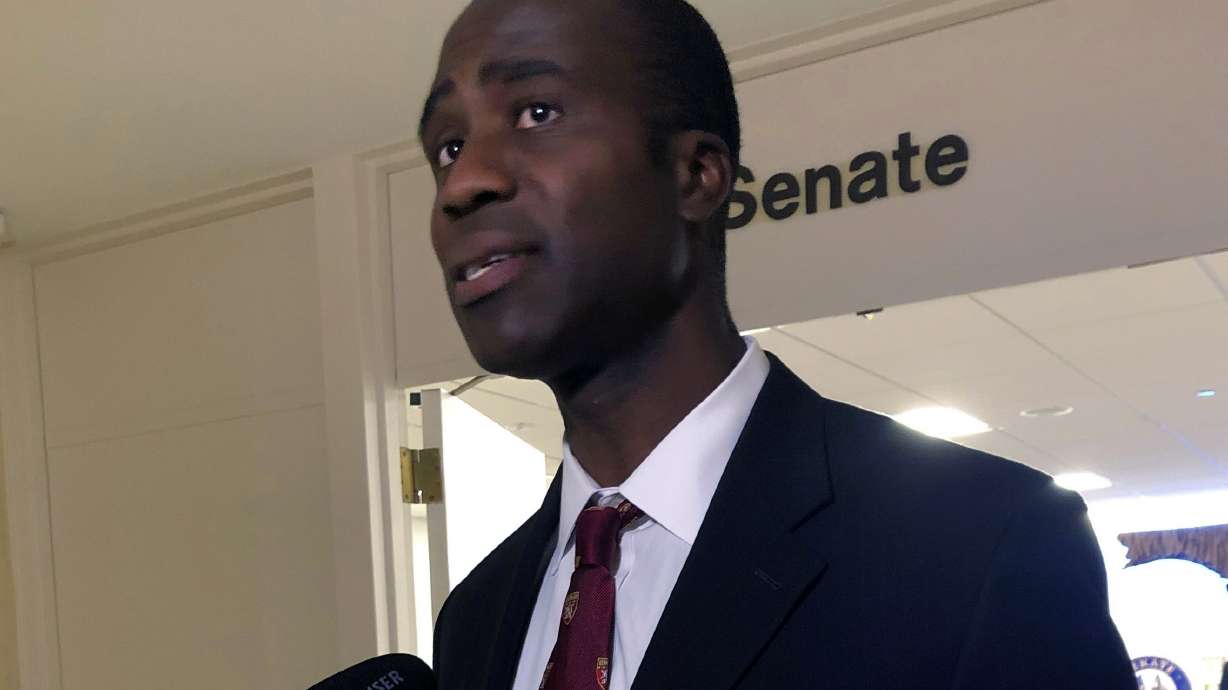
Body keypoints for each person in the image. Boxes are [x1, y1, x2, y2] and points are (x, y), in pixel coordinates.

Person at [416, 0, 1136, 687]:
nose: (463, 183)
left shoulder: (983, 545)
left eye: (537, 112)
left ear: (696, 175)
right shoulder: (475, 619)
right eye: (447, 148)